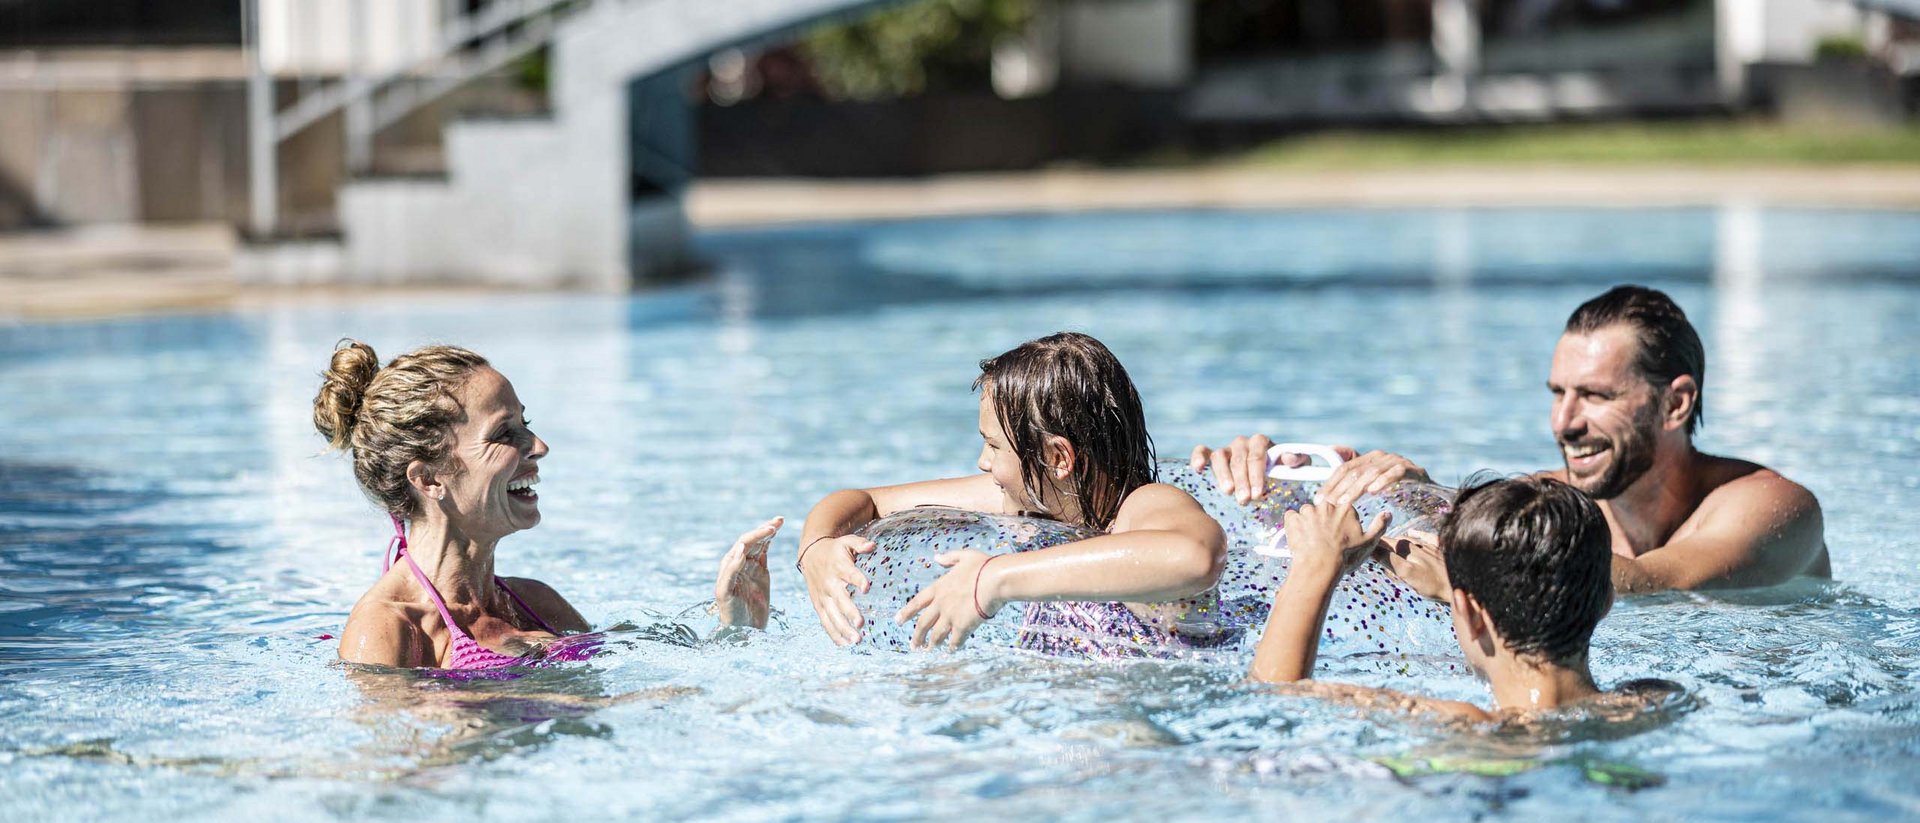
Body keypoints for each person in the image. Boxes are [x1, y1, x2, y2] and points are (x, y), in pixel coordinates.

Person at [1192, 285, 1829, 594]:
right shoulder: (1550, 498)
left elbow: (1646, 587)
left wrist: (1448, 513)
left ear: (1676, 402)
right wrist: (1264, 481)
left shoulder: (1771, 507)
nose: (1564, 423)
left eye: (1597, 396)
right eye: (1558, 393)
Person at [319, 340, 778, 670]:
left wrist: (736, 628)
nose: (538, 447)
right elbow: (395, 781)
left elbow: (638, 685)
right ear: (428, 478)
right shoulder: (388, 629)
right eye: (504, 434)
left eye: (527, 424)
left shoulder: (537, 602)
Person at [796, 332, 1227, 650]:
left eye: (993, 445)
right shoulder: (1026, 502)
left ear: (1058, 458)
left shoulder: (1143, 505)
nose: (983, 462)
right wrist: (816, 550)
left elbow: (1195, 557)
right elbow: (864, 502)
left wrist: (993, 579)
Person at [1249, 476, 1673, 720]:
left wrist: (1316, 566)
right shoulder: (1649, 701)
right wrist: (1463, 593)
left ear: (1469, 614)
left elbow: (1274, 693)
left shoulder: (1469, 725)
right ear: (1606, 601)